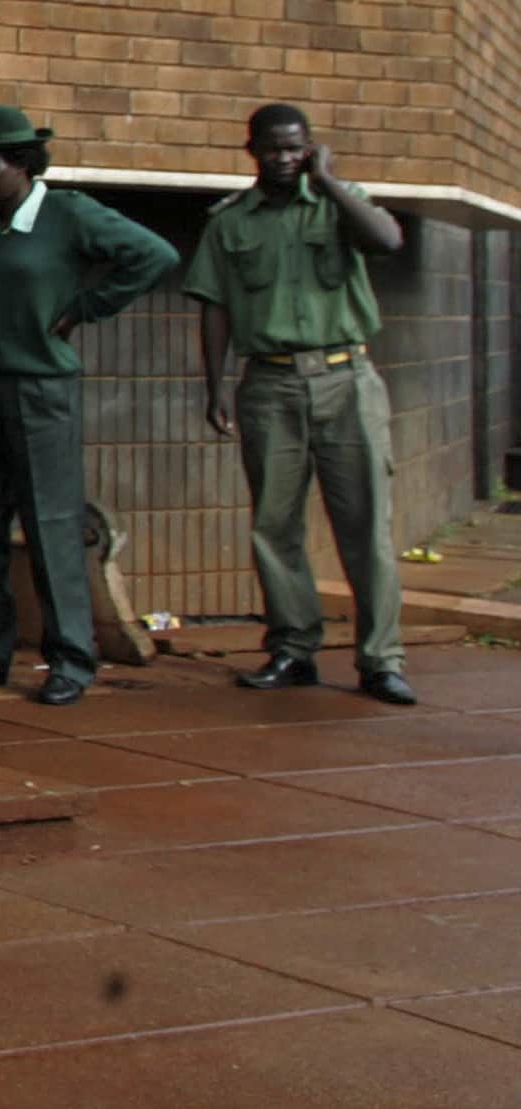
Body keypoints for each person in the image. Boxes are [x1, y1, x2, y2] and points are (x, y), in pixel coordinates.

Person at [0, 105, 177, 707]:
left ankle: (70, 658)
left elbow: (155, 256)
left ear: (20, 165)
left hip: (40, 389)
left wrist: (88, 307)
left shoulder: (68, 213)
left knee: (51, 521)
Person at [182, 103, 414, 706]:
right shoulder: (231, 223)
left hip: (346, 377)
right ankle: (292, 648)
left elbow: (387, 239)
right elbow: (214, 305)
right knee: (274, 524)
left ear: (310, 147)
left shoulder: (341, 203)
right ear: (251, 149)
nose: (284, 158)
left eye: (295, 148)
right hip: (270, 384)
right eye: (272, 148)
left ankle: (381, 660)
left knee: (366, 525)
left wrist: (331, 183)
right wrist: (214, 386)